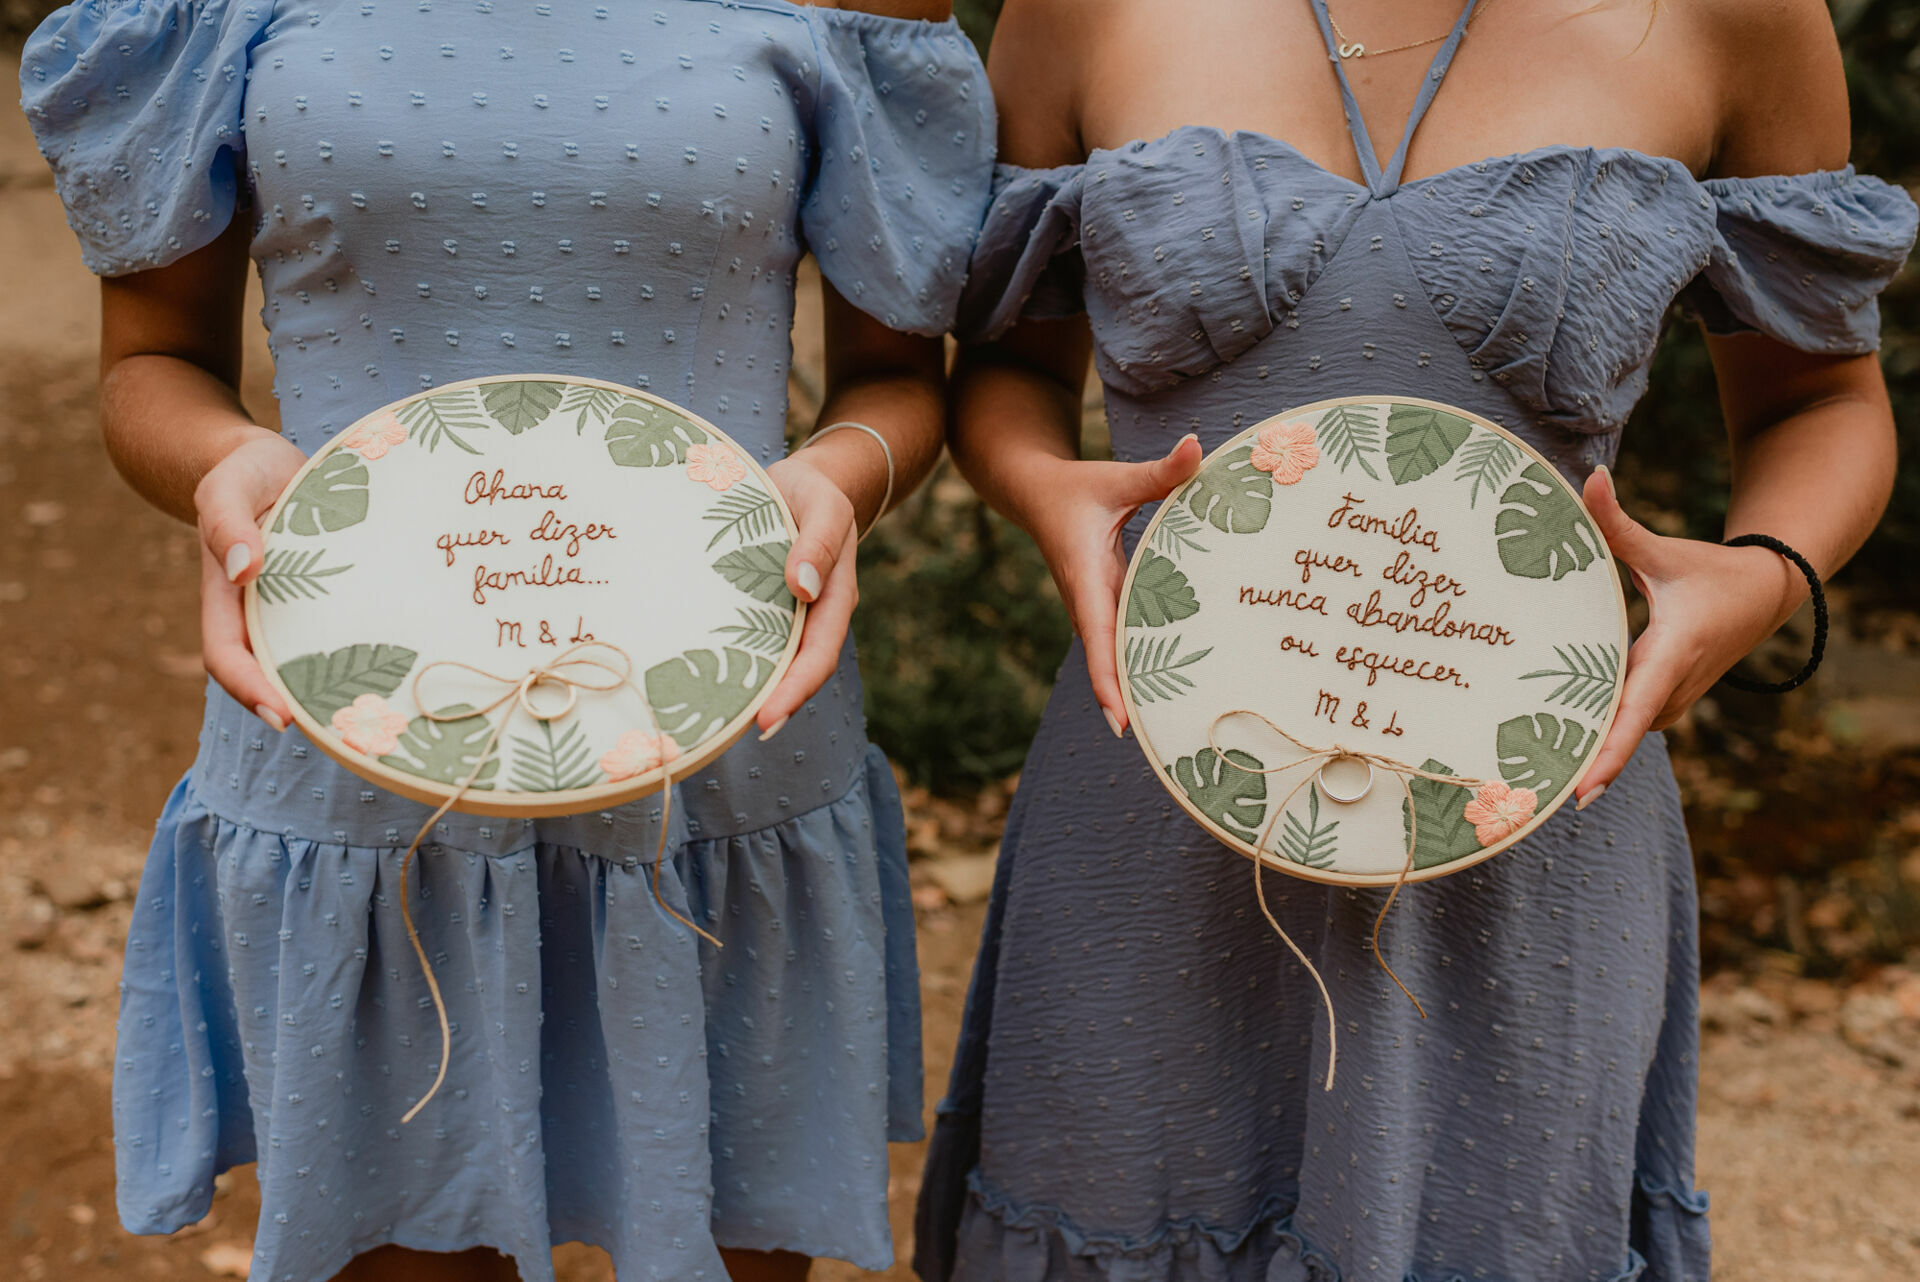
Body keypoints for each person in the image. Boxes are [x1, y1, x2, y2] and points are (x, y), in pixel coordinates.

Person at [918, 1, 1915, 1279]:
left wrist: (1764, 576)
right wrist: (1035, 480)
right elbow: (1010, 372)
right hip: (1155, 792)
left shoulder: (1739, 13)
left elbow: (1823, 397)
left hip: (1525, 812)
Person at [18, 1, 993, 1278]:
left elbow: (897, 380)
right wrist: (228, 459)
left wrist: (844, 472)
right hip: (360, 764)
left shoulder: (850, 4)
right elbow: (149, 362)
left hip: (717, 766)